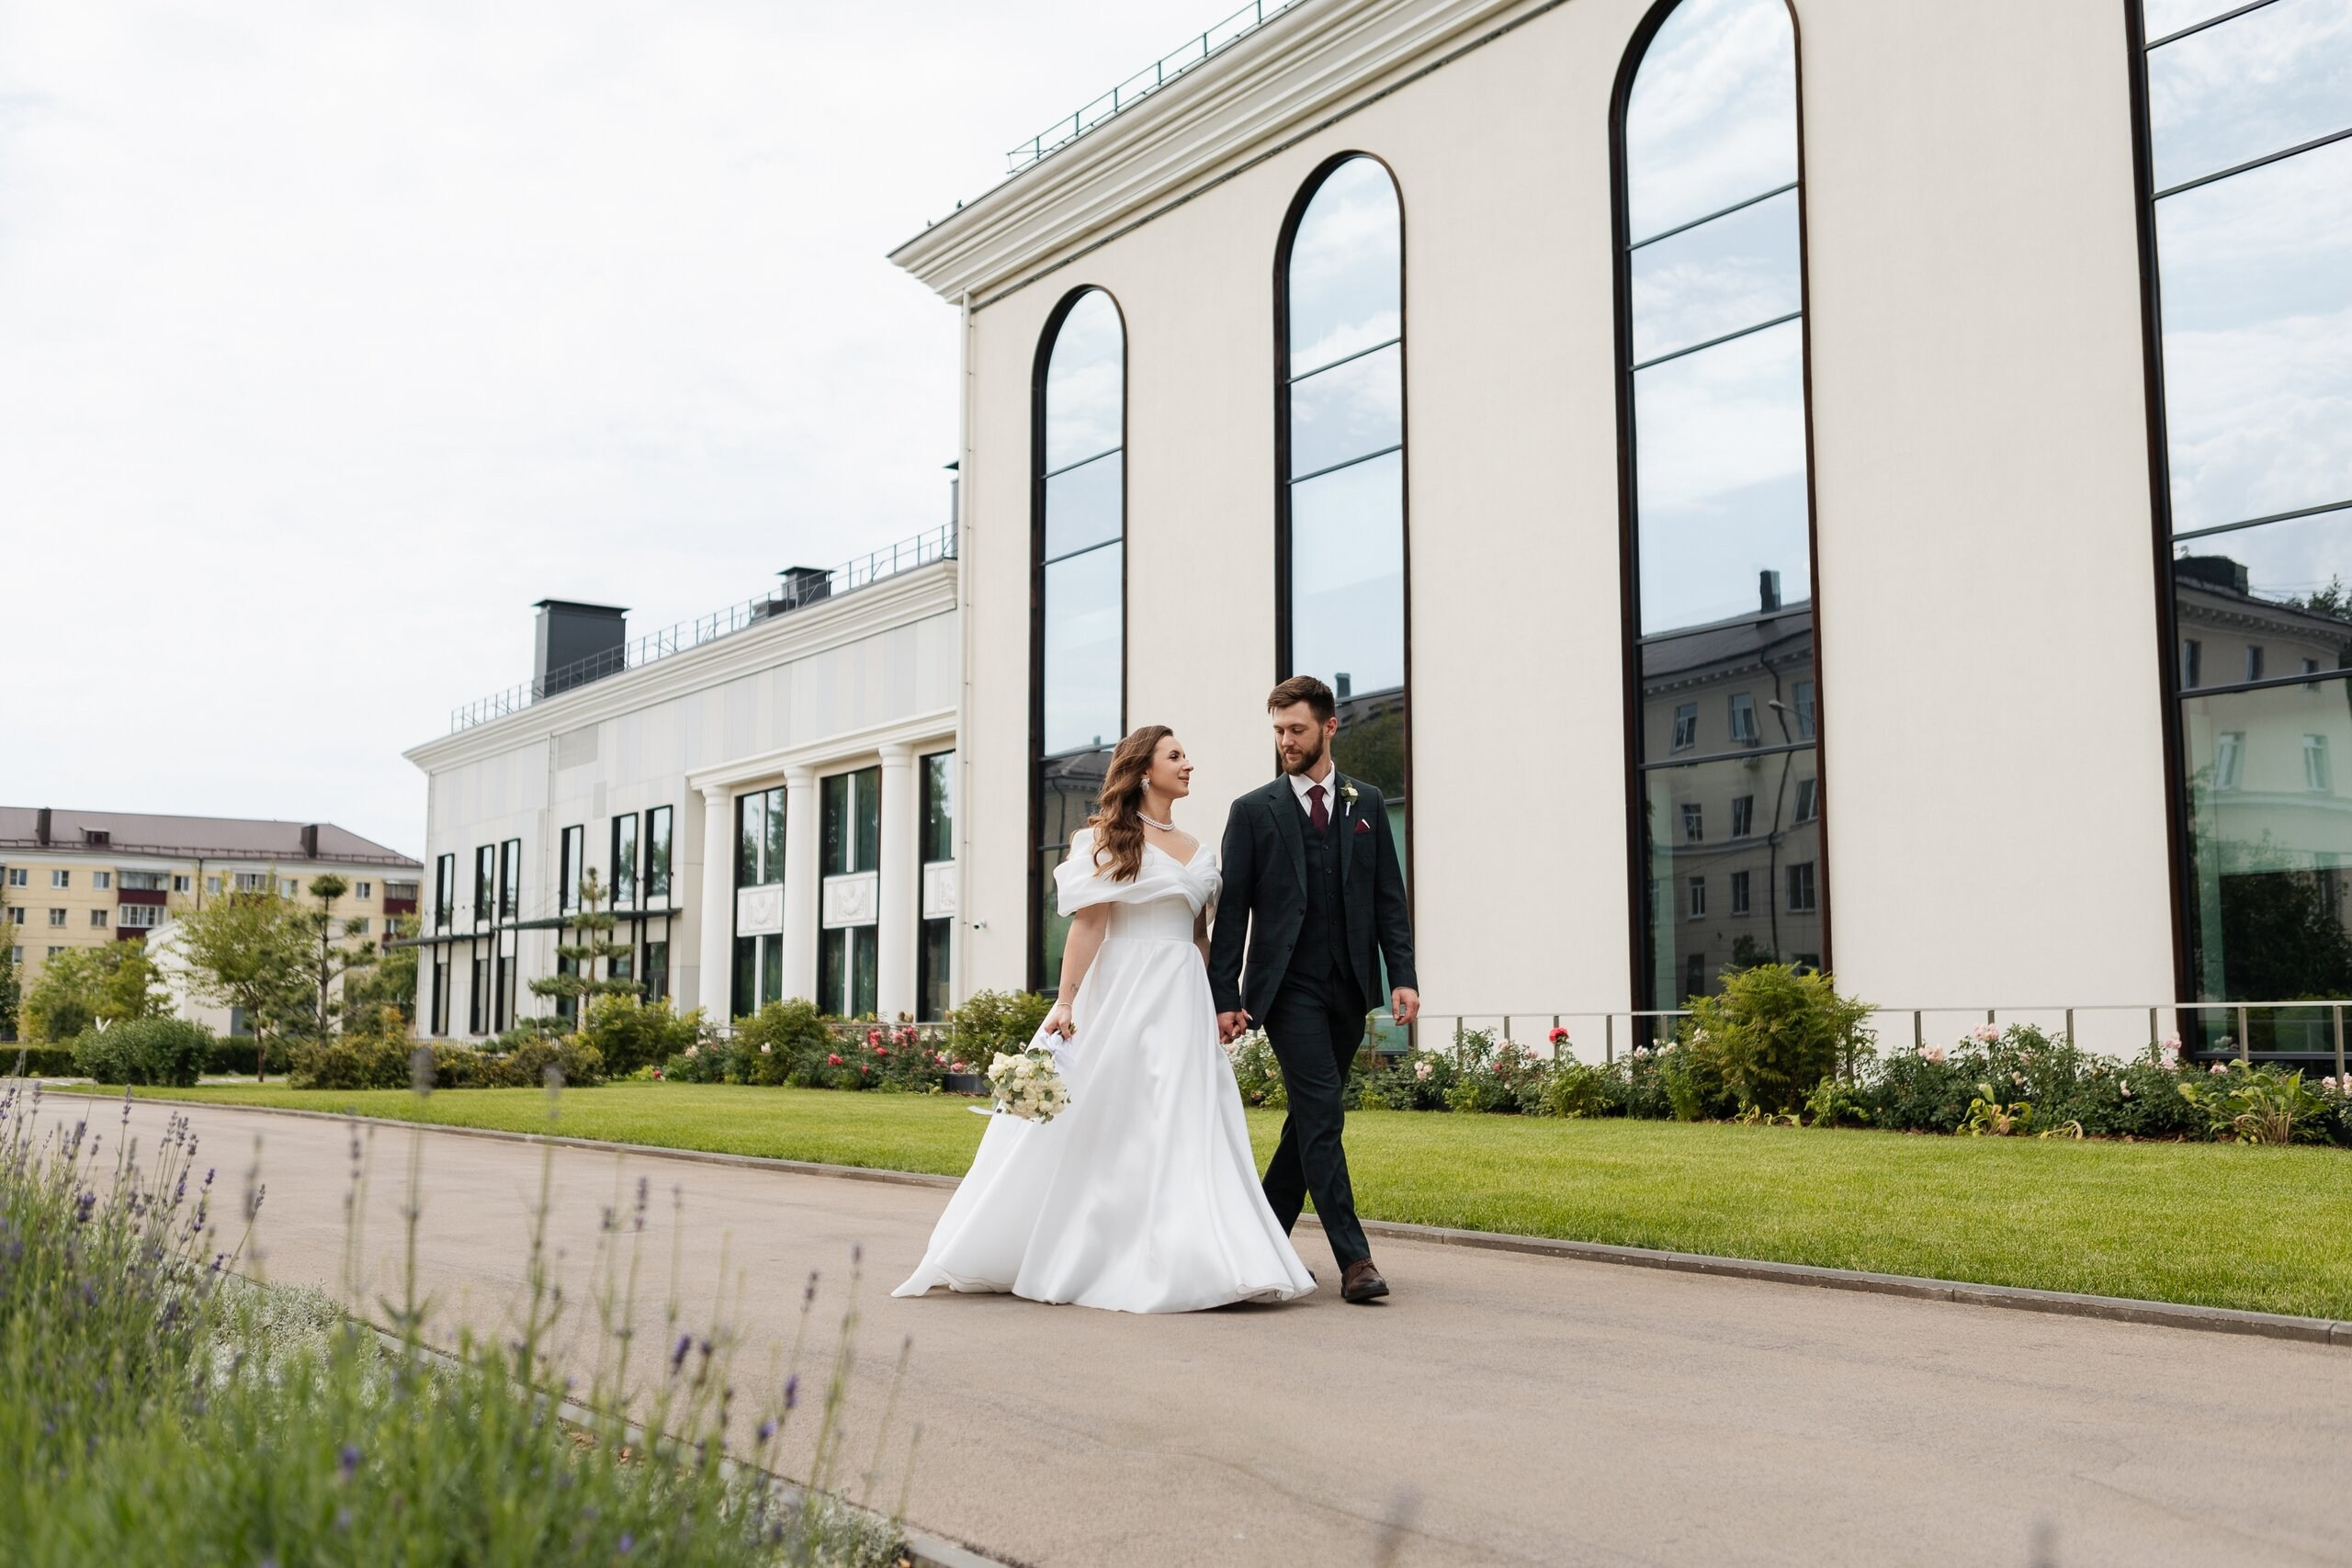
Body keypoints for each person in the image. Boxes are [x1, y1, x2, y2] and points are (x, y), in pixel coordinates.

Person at [893, 725, 1316, 1314]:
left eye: (1186, 754)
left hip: (1182, 993)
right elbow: (1088, 926)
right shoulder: (1105, 839)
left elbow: (1201, 935)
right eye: (1175, 756)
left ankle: (1205, 1254)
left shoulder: (1199, 848)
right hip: (1123, 987)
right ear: (1145, 771)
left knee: (1188, 1116)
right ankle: (1100, 1248)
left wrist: (1216, 1003)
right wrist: (1066, 1002)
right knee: (1112, 1117)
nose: (1188, 764)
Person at [1208, 675, 1419, 1303]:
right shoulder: (1253, 811)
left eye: (1296, 729)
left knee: (1309, 1118)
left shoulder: (1368, 803)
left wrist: (1401, 974)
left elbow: (1389, 899)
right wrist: (1225, 994)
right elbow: (1234, 912)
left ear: (1329, 727)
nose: (1285, 741)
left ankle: (1259, 1237)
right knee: (1324, 1111)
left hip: (1350, 988)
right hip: (1287, 989)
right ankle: (1356, 1261)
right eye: (1277, 730)